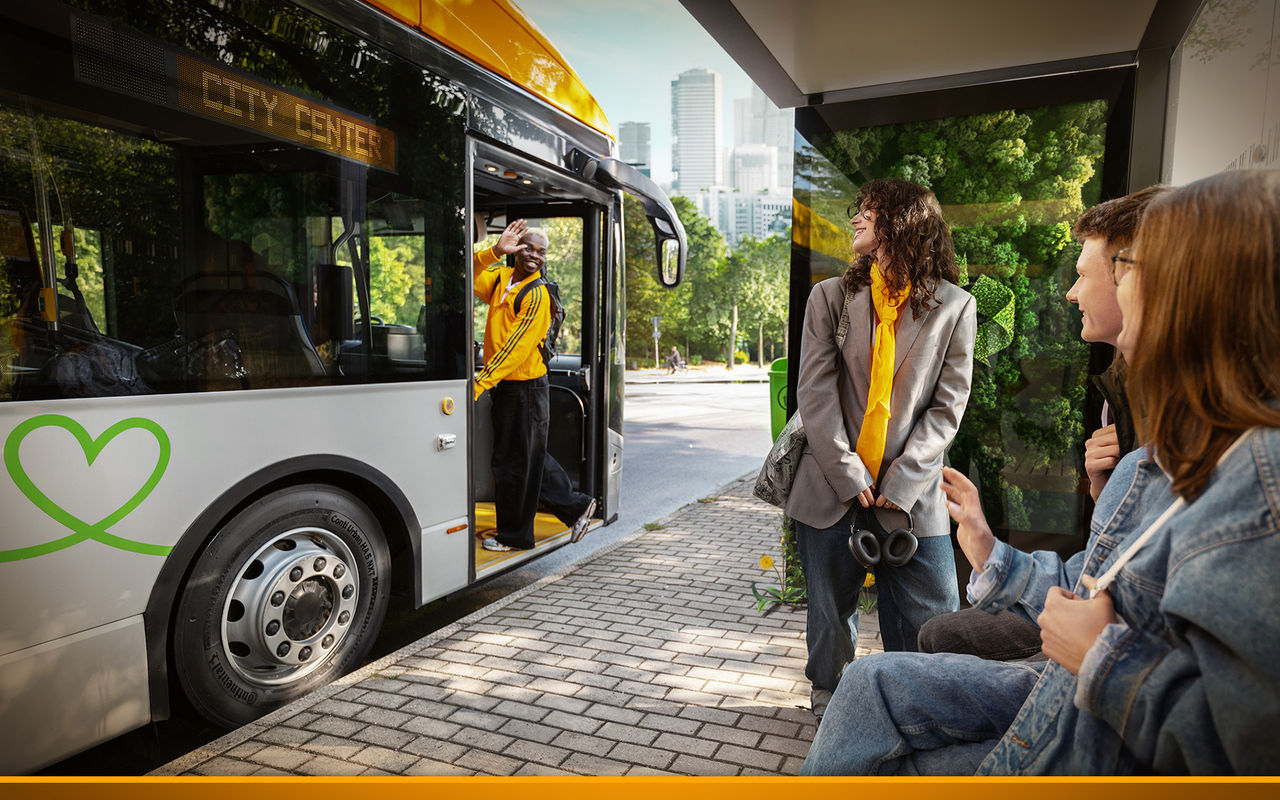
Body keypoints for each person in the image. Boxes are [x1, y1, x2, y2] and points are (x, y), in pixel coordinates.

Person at [802, 169, 1280, 775]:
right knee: (866, 679)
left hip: (1078, 728)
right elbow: (1097, 586)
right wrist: (988, 550)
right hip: (1066, 703)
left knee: (908, 665)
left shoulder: (1254, 477)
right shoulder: (1160, 457)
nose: (1079, 292)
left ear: (1190, 291)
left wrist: (1103, 659)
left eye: (1122, 269)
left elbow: (1246, 750)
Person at [917, 186, 1167, 662]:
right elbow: (1112, 554)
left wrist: (1097, 660)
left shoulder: (966, 302)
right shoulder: (1119, 392)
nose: (1071, 294)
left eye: (1081, 275)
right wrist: (1103, 490)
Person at [787, 178, 976, 718]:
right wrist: (852, 476)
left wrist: (899, 485)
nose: (856, 220)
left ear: (901, 221)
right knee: (829, 612)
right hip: (832, 488)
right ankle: (833, 705)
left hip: (913, 496)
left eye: (867, 211)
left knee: (933, 611)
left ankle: (918, 703)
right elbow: (815, 395)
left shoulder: (955, 307)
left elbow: (948, 406)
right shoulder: (829, 297)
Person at [474, 220, 595, 551]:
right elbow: (469, 277)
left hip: (525, 389)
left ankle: (514, 537)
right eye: (528, 247)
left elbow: (516, 348)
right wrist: (494, 252)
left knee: (515, 465)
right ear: (515, 247)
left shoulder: (537, 294)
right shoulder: (502, 279)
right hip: (510, 388)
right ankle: (577, 505)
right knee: (526, 459)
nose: (535, 256)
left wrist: (479, 383)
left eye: (541, 252)